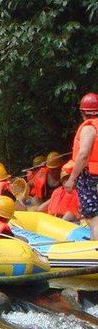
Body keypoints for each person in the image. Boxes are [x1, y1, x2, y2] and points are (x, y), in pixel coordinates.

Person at [64, 92, 98, 237]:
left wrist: (71, 179)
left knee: (93, 217)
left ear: (83, 113)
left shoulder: (89, 128)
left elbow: (83, 155)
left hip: (91, 176)